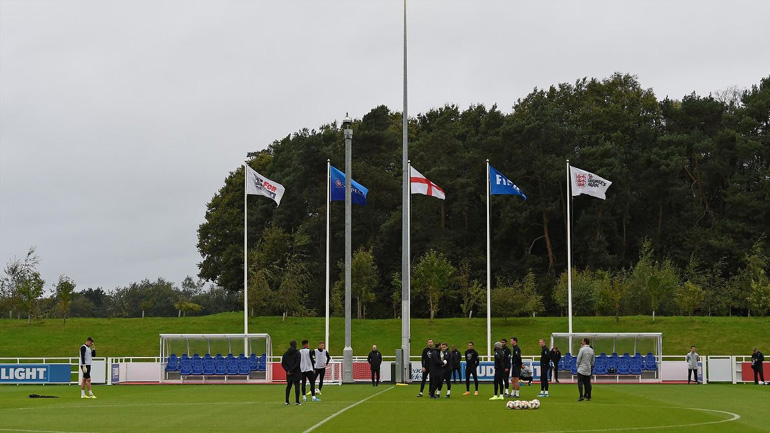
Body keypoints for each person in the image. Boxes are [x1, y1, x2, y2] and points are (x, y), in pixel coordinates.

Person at [281, 340, 302, 405]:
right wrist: (292, 370)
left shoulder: (285, 353)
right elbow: (297, 363)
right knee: (297, 386)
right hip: (296, 372)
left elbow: (283, 363)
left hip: (288, 373)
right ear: (295, 345)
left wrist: (287, 371)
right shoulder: (298, 353)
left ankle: (287, 401)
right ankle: (297, 401)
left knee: (288, 386)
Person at [576, 337, 595, 402]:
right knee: (588, 383)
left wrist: (577, 366)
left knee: (580, 383)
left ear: (584, 342)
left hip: (581, 368)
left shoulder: (582, 349)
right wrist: (590, 366)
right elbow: (593, 360)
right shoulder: (591, 350)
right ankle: (589, 396)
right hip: (588, 368)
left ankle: (581, 396)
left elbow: (578, 359)